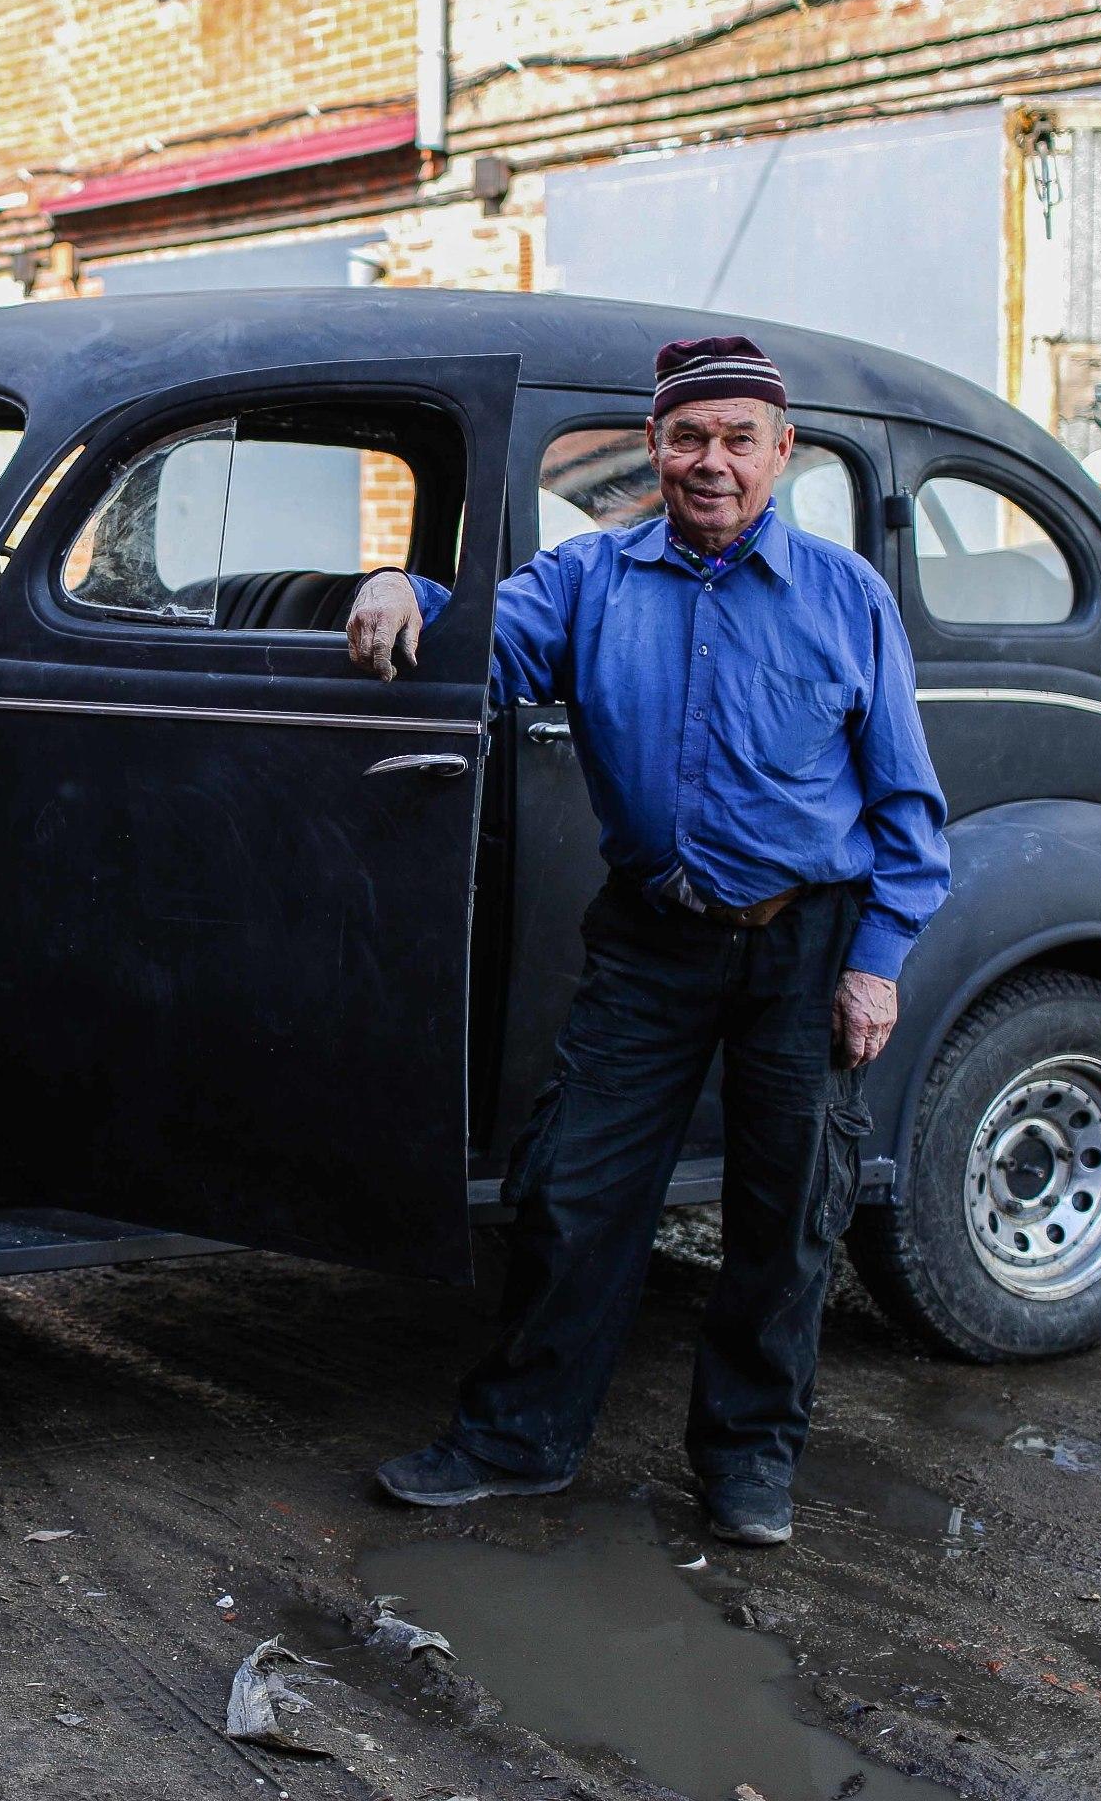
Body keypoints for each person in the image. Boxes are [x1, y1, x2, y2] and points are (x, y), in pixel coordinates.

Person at [344, 333, 950, 1546]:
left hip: (805, 942)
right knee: (574, 1188)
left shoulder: (847, 597)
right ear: (654, 449)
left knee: (787, 1217)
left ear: (783, 452)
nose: (709, 462)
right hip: (653, 935)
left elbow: (907, 806)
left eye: (737, 439)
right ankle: (519, 1440)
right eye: (686, 437)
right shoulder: (590, 578)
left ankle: (747, 1463)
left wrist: (877, 958)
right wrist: (410, 588)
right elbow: (485, 642)